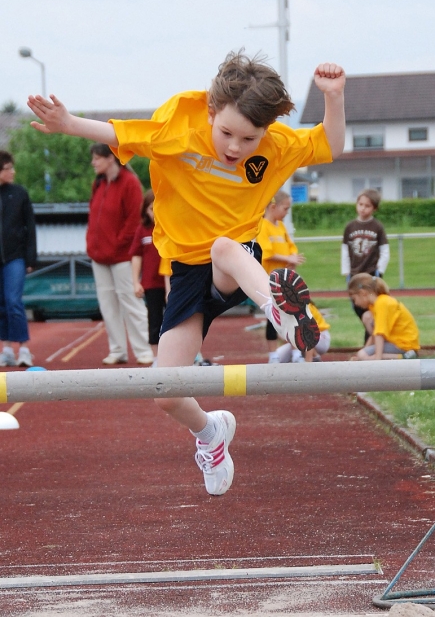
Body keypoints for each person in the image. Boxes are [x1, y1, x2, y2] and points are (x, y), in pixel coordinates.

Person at [27, 50, 346, 495]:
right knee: (165, 391)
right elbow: (123, 133)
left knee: (224, 247)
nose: (236, 148)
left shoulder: (276, 147)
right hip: (185, 275)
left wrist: (334, 97)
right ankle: (211, 434)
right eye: (227, 133)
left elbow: (330, 144)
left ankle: (282, 313)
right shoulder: (181, 127)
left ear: (266, 131)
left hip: (237, 261)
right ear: (212, 113)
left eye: (249, 139)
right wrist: (68, 124)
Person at [87, 143, 154, 366]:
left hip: (122, 256)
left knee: (131, 302)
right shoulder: (98, 183)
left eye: (97, 158)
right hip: (99, 256)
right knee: (108, 304)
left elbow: (134, 220)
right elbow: (93, 216)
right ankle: (117, 350)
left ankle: (144, 349)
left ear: (111, 159)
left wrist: (116, 245)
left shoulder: (129, 182)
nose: (93, 163)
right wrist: (93, 244)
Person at [256, 190, 306, 363]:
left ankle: (296, 353)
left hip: (287, 279)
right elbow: (267, 252)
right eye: (285, 209)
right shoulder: (263, 226)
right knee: (273, 317)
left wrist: (293, 258)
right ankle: (273, 355)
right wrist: (287, 258)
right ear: (273, 206)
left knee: (292, 315)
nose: (287, 213)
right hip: (271, 279)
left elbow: (291, 247)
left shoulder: (281, 226)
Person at [0, 150, 36, 367]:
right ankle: (6, 349)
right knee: (1, 303)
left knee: (14, 301)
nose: (13, 171)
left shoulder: (20, 193)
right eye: (8, 168)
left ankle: (23, 348)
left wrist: (30, 258)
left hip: (16, 257)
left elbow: (30, 227)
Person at [341, 188, 390, 343]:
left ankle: (371, 342)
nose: (362, 208)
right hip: (354, 275)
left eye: (367, 206)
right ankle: (372, 339)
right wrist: (346, 272)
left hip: (370, 275)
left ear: (374, 208)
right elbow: (345, 251)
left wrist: (379, 272)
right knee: (358, 307)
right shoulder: (350, 227)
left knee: (371, 310)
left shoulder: (378, 227)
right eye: (360, 204)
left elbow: (385, 251)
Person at [348, 273, 419, 360]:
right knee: (367, 317)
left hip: (403, 345)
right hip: (398, 342)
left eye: (354, 299)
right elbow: (374, 335)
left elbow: (379, 334)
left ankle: (404, 357)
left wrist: (377, 358)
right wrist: (364, 352)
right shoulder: (376, 304)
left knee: (363, 355)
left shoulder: (382, 304)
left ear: (363, 293)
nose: (355, 303)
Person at [130, 189, 166, 360]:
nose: (155, 213)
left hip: (173, 282)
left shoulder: (171, 227)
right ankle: (157, 358)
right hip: (151, 284)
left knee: (179, 320)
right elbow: (136, 256)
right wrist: (135, 282)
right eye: (151, 209)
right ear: (145, 210)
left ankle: (187, 355)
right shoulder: (143, 230)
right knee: (154, 321)